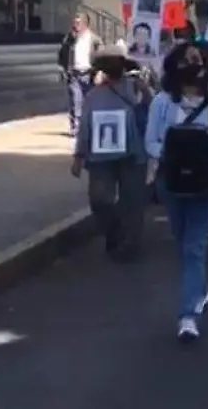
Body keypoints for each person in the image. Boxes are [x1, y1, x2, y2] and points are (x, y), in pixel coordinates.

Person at [145, 42, 208, 341]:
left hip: (204, 186)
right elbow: (151, 142)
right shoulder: (162, 103)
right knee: (184, 242)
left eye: (196, 61)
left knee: (194, 248)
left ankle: (188, 316)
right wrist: (172, 155)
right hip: (172, 184)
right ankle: (200, 290)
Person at [71, 44, 151, 262]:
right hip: (101, 157)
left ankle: (130, 243)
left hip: (132, 154)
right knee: (99, 199)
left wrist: (146, 90)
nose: (113, 67)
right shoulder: (94, 95)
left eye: (117, 63)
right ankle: (114, 231)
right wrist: (78, 157)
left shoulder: (135, 87)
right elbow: (85, 126)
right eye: (108, 63)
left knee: (132, 200)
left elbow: (152, 109)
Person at [58, 14, 103, 136]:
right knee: (75, 100)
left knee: (90, 102)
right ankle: (75, 127)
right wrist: (62, 68)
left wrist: (100, 72)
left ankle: (90, 126)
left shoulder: (94, 39)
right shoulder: (69, 39)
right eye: (74, 23)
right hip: (74, 73)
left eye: (78, 23)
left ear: (85, 24)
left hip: (89, 74)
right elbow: (62, 54)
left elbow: (101, 57)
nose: (75, 25)